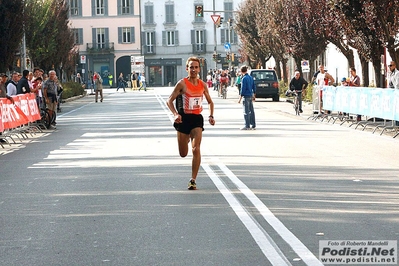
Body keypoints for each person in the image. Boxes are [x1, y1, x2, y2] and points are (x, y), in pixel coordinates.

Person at [166, 57, 215, 190]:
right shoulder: (182, 84)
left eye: (196, 67)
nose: (193, 70)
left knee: (196, 149)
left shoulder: (203, 85)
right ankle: (186, 138)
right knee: (183, 153)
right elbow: (169, 101)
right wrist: (175, 114)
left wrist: (211, 116)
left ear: (199, 69)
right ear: (187, 68)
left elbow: (210, 102)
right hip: (183, 120)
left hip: (196, 119)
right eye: (191, 67)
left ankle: (193, 180)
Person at [238, 65, 256, 130]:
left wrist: (240, 97)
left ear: (241, 71)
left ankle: (247, 125)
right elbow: (254, 86)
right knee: (251, 111)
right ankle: (253, 125)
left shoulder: (244, 78)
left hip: (246, 96)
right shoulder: (251, 77)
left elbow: (243, 89)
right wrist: (254, 94)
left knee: (246, 111)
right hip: (250, 95)